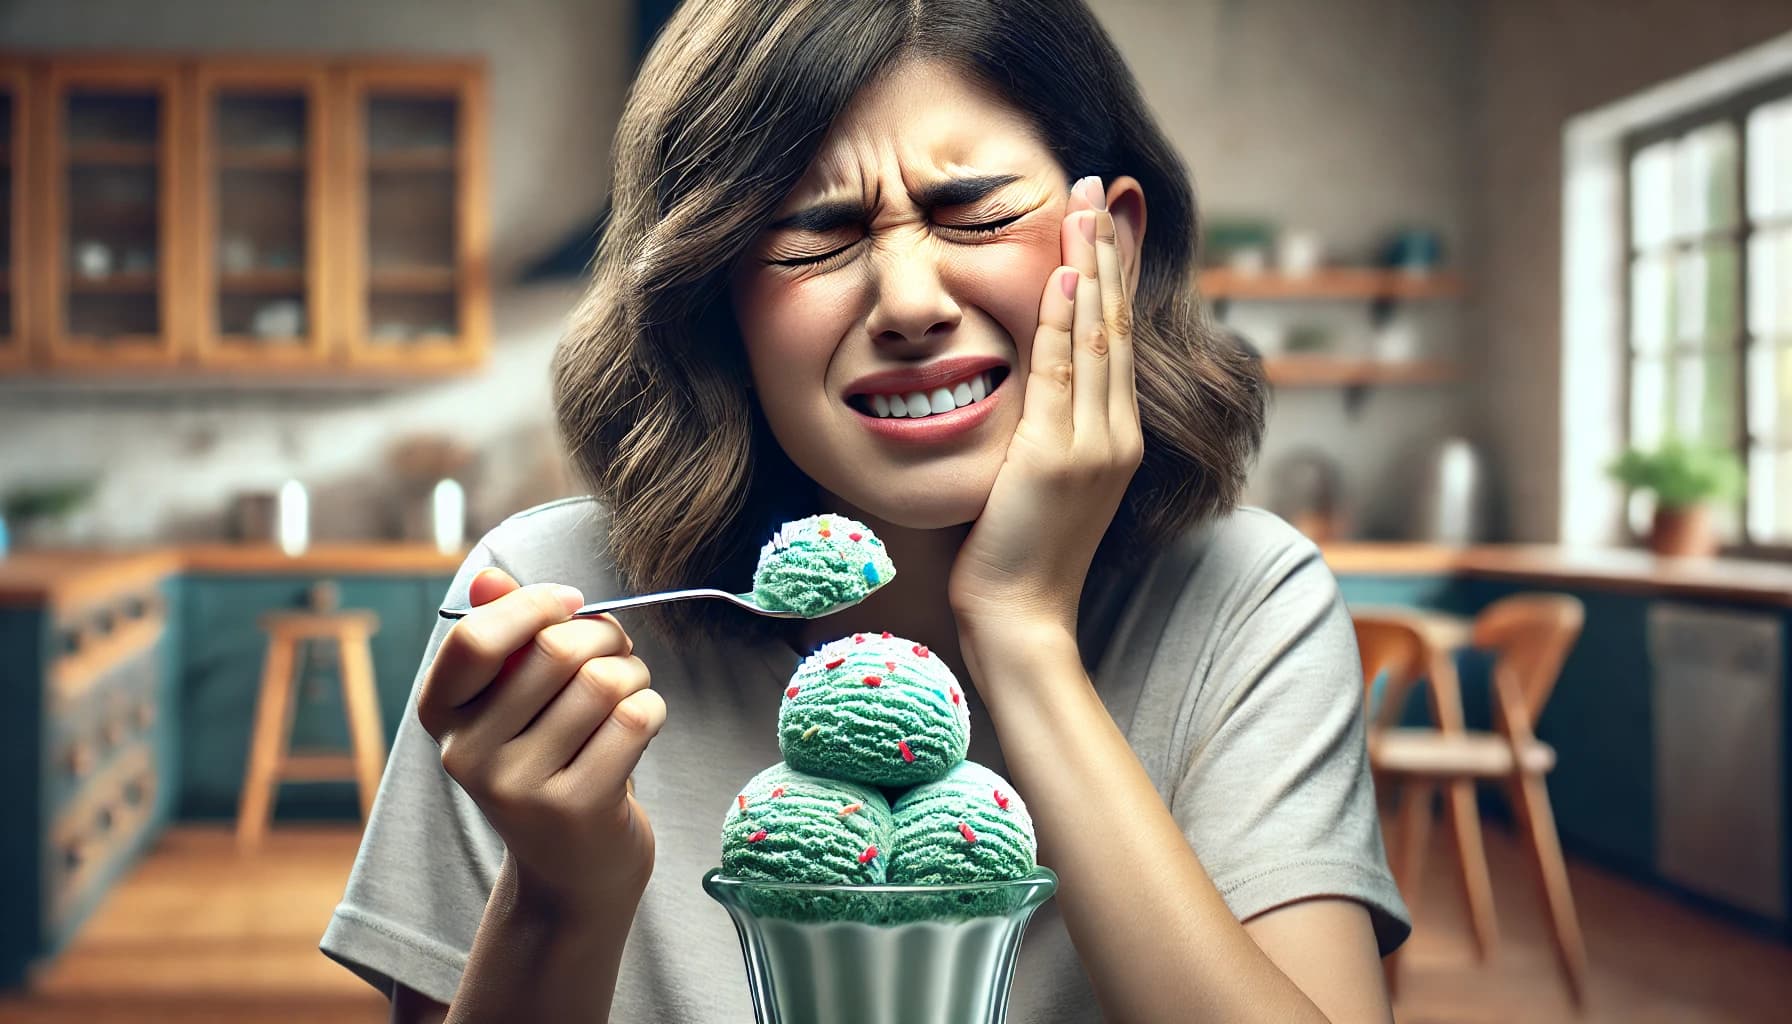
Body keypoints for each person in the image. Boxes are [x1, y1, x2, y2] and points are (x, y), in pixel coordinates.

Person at [320, 1, 1410, 1020]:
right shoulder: (558, 614)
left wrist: (1023, 631)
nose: (909, 303)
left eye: (973, 210)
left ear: (1109, 247)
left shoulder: (1242, 600)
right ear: (713, 294)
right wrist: (559, 896)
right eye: (815, 233)